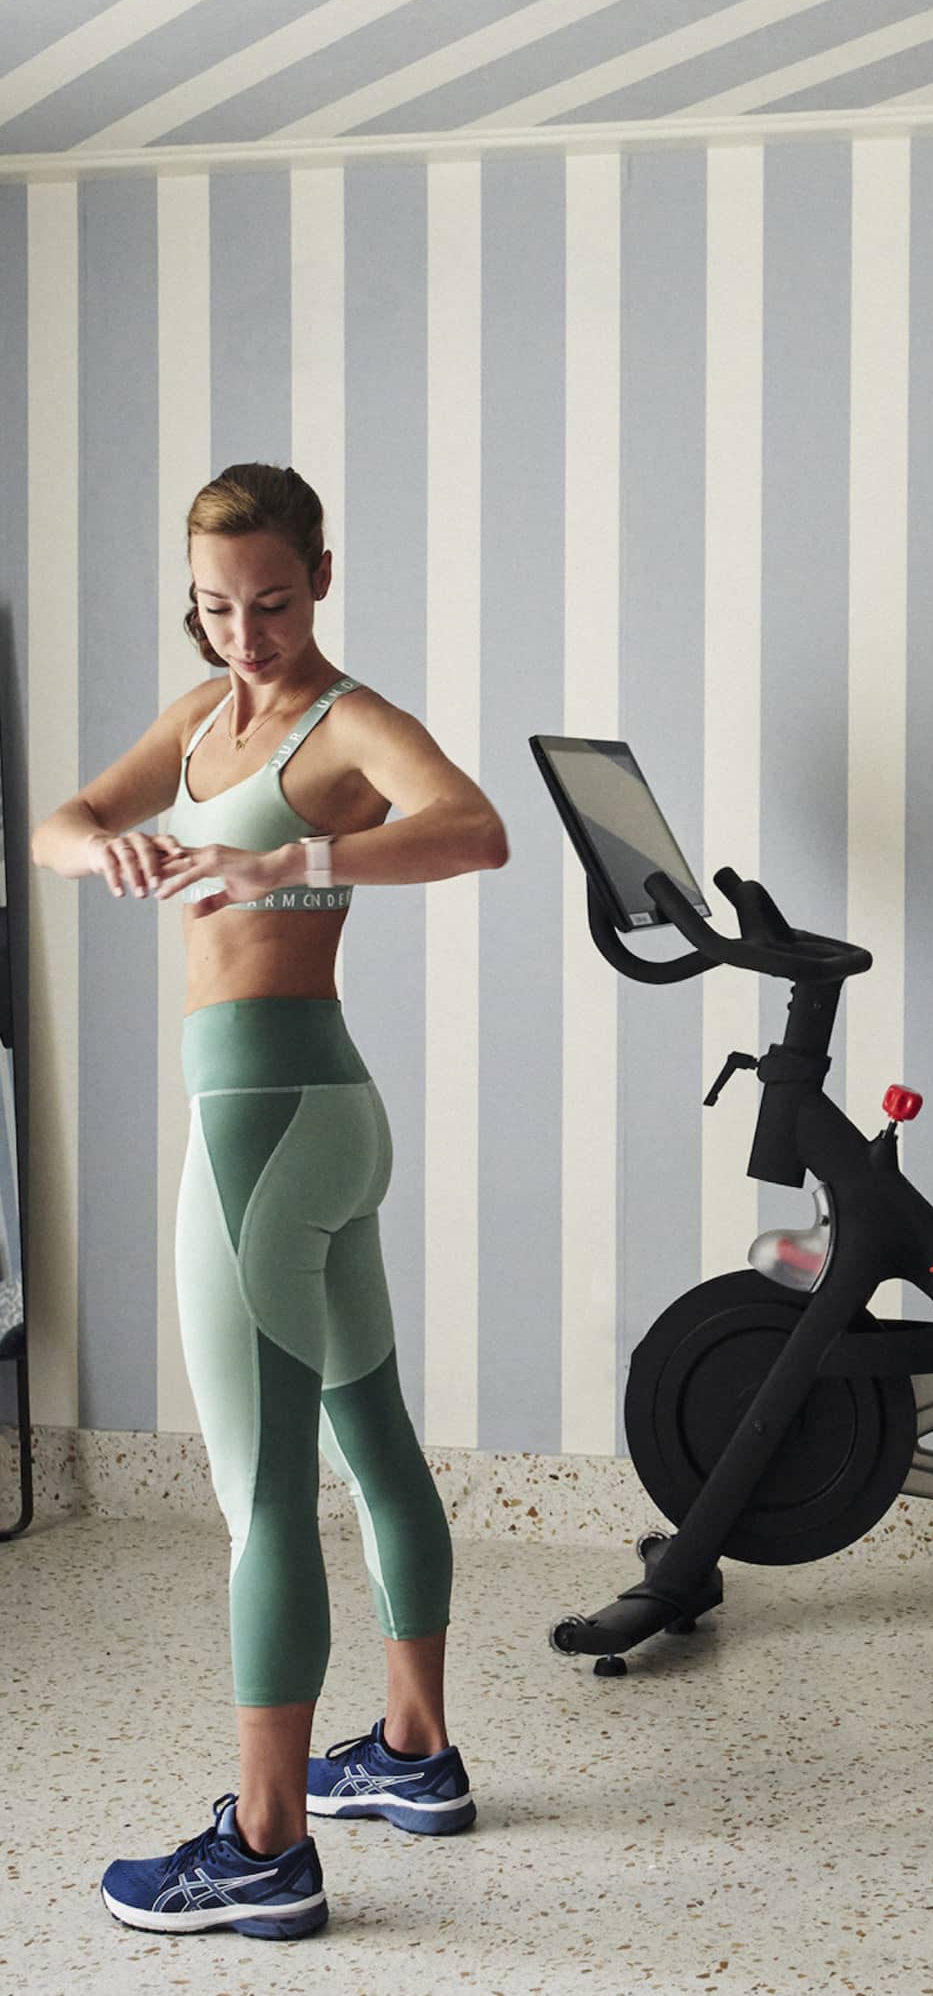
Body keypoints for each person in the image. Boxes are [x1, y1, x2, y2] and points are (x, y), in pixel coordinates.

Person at [30, 462, 508, 1940]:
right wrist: (105, 843)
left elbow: (473, 827)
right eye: (217, 605)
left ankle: (265, 1843)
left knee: (258, 1495)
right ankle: (414, 1754)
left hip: (266, 1128)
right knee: (367, 1442)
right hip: (321, 1118)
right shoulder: (203, 715)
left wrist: (291, 854)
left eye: (276, 602)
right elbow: (62, 815)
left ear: (321, 577)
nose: (246, 633)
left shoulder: (342, 719)